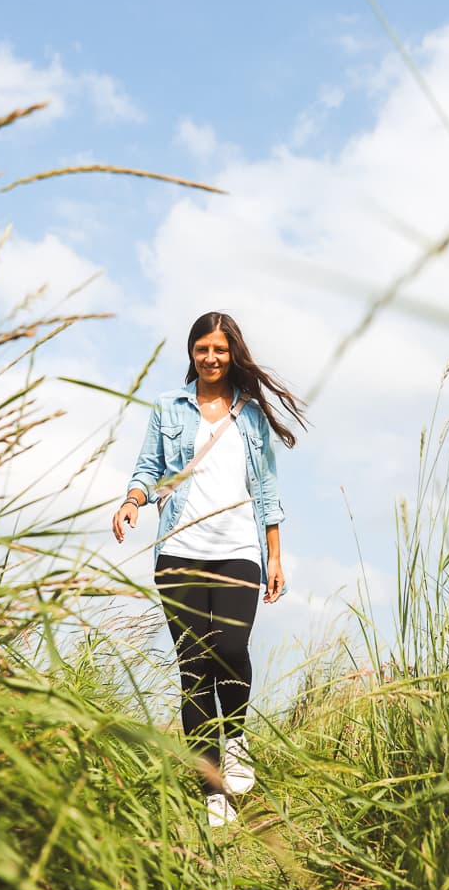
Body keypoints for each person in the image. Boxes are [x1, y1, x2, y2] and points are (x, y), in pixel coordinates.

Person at [112, 311, 306, 827]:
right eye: (203, 349)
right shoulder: (167, 408)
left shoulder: (251, 416)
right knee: (194, 671)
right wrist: (133, 501)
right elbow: (148, 468)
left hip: (238, 549)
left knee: (229, 649)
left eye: (220, 349)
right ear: (192, 353)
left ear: (232, 352)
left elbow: (266, 490)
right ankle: (211, 788)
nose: (211, 358)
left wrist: (275, 556)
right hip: (178, 550)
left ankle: (235, 737)